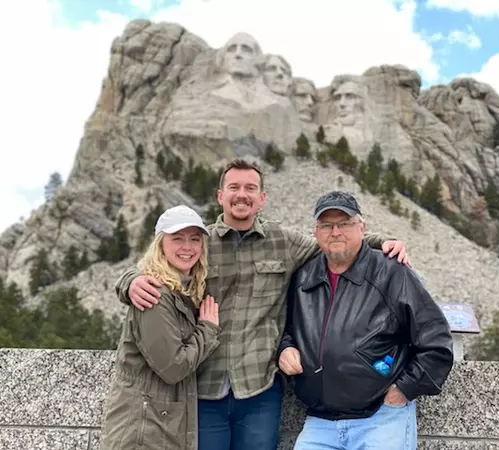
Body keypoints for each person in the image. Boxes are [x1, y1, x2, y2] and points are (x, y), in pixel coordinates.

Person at [114, 159, 411, 450]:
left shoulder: (284, 242)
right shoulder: (199, 242)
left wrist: (385, 241)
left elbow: (334, 243)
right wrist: (128, 282)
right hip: (204, 388)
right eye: (234, 187)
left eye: (250, 188)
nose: (241, 194)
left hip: (260, 390)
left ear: (262, 198)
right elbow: (160, 263)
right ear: (221, 196)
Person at [277, 191, 454, 450]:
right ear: (315, 232)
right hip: (320, 421)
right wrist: (285, 348)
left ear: (362, 227)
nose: (335, 231)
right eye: (326, 225)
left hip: (380, 419)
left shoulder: (393, 272)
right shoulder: (303, 278)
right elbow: (287, 330)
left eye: (345, 223)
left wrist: (402, 391)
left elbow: (437, 340)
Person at [99, 205, 221, 450]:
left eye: (194, 239)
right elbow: (173, 367)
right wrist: (207, 329)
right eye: (177, 238)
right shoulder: (154, 294)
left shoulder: (184, 289)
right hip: (143, 431)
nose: (187, 247)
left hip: (159, 426)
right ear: (160, 244)